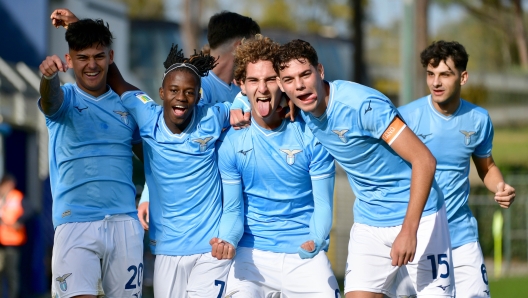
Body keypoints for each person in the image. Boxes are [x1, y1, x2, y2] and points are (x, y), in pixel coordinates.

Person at [273, 39, 454, 298]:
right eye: (289, 80)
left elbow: (424, 160)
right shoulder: (300, 108)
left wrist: (409, 230)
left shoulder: (363, 106)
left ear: (320, 71)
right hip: (369, 222)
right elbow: (253, 93)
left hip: (419, 218)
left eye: (305, 74)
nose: (299, 85)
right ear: (281, 85)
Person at [106, 43, 243, 297]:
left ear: (199, 96)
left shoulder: (212, 116)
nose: (181, 97)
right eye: (174, 90)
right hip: (167, 248)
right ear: (161, 92)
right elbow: (117, 80)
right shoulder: (146, 115)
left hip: (209, 247)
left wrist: (242, 106)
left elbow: (249, 102)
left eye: (190, 92)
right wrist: (77, 28)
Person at [218, 34, 340, 297]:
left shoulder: (311, 134)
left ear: (283, 83)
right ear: (241, 85)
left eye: (270, 79)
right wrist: (227, 239)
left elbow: (324, 205)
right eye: (253, 80)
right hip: (251, 255)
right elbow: (232, 210)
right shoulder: (231, 142)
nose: (262, 88)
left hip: (303, 253)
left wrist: (316, 239)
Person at [398, 40, 516, 298]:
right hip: (423, 237)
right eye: (431, 74)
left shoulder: (479, 119)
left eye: (445, 74)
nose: (435, 82)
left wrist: (500, 186)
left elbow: (487, 166)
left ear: (463, 78)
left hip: (462, 234)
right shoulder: (406, 117)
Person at [40, 16, 144, 298]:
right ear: (69, 60)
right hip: (75, 223)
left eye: (99, 56)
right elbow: (49, 101)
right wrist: (48, 77)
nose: (92, 64)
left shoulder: (129, 104)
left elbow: (153, 161)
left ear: (111, 56)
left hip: (124, 222)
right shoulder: (65, 99)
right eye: (82, 57)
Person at [136, 11, 261, 228]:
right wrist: (148, 194)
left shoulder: (240, 91)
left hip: (233, 204)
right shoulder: (196, 86)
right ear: (240, 45)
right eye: (253, 46)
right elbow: (168, 139)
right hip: (196, 214)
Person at [0, 174, 32, 298]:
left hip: (13, 242)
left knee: (12, 273)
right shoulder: (1, 198)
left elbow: (30, 210)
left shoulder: (17, 197)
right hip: (1, 242)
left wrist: (19, 221)